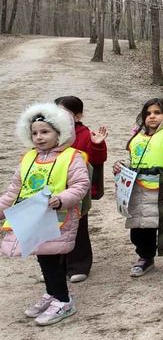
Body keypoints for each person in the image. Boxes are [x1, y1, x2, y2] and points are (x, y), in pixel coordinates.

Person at [0, 103, 89, 326]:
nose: (39, 137)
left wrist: (61, 199)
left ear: (60, 133)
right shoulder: (28, 158)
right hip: (31, 218)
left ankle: (63, 300)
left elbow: (80, 185)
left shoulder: (71, 156)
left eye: (45, 132)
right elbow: (14, 190)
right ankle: (53, 293)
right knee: (43, 257)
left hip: (57, 218)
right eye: (35, 133)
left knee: (50, 259)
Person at [112, 98, 163, 278]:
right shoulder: (137, 136)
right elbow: (134, 160)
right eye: (148, 113)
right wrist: (121, 166)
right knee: (140, 228)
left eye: (157, 113)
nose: (152, 116)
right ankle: (145, 257)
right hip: (138, 189)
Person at [54, 96, 108, 283]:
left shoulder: (85, 134)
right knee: (53, 229)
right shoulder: (50, 133)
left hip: (77, 190)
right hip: (54, 191)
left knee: (78, 227)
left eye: (64, 112)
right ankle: (56, 265)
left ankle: (79, 265)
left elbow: (96, 160)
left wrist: (97, 144)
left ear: (78, 116)